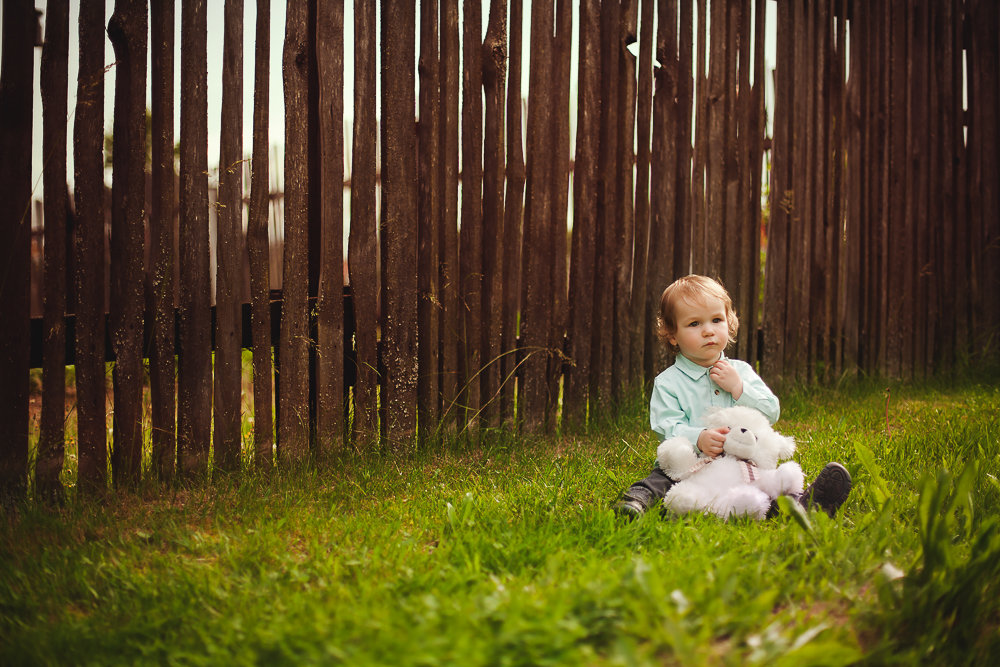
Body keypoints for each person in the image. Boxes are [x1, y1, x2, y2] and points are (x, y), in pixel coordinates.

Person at [614, 274, 852, 520]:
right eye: (694, 324)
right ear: (672, 334)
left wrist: (739, 389)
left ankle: (805, 505)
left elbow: (771, 411)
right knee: (660, 480)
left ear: (729, 323)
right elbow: (665, 426)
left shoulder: (741, 372)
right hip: (692, 465)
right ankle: (636, 502)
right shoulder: (669, 382)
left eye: (716, 320)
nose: (708, 331)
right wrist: (698, 438)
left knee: (766, 484)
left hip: (743, 464)